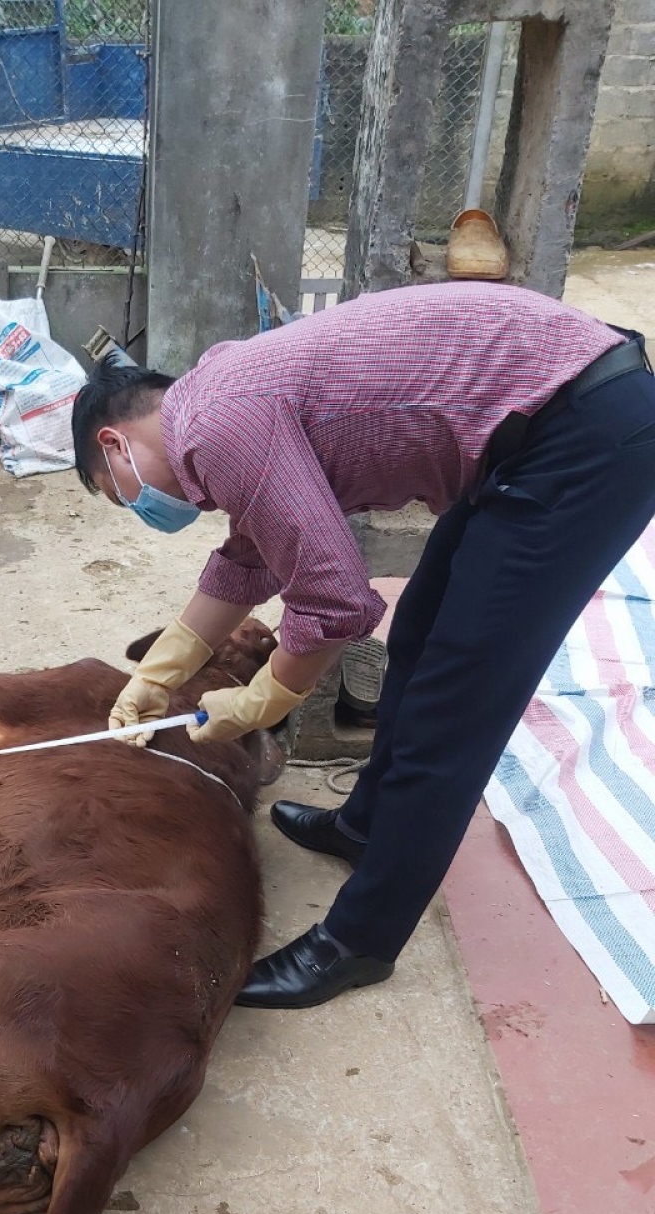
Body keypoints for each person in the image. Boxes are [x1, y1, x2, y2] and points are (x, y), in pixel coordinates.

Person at [71, 281, 655, 1008]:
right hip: (544, 418)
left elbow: (336, 601)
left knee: (456, 705)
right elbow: (251, 553)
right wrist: (160, 675)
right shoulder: (212, 396)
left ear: (114, 442)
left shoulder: (215, 425)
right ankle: (366, 824)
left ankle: (360, 942)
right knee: (420, 630)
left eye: (119, 492)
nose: (140, 509)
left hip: (578, 435)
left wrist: (261, 700)